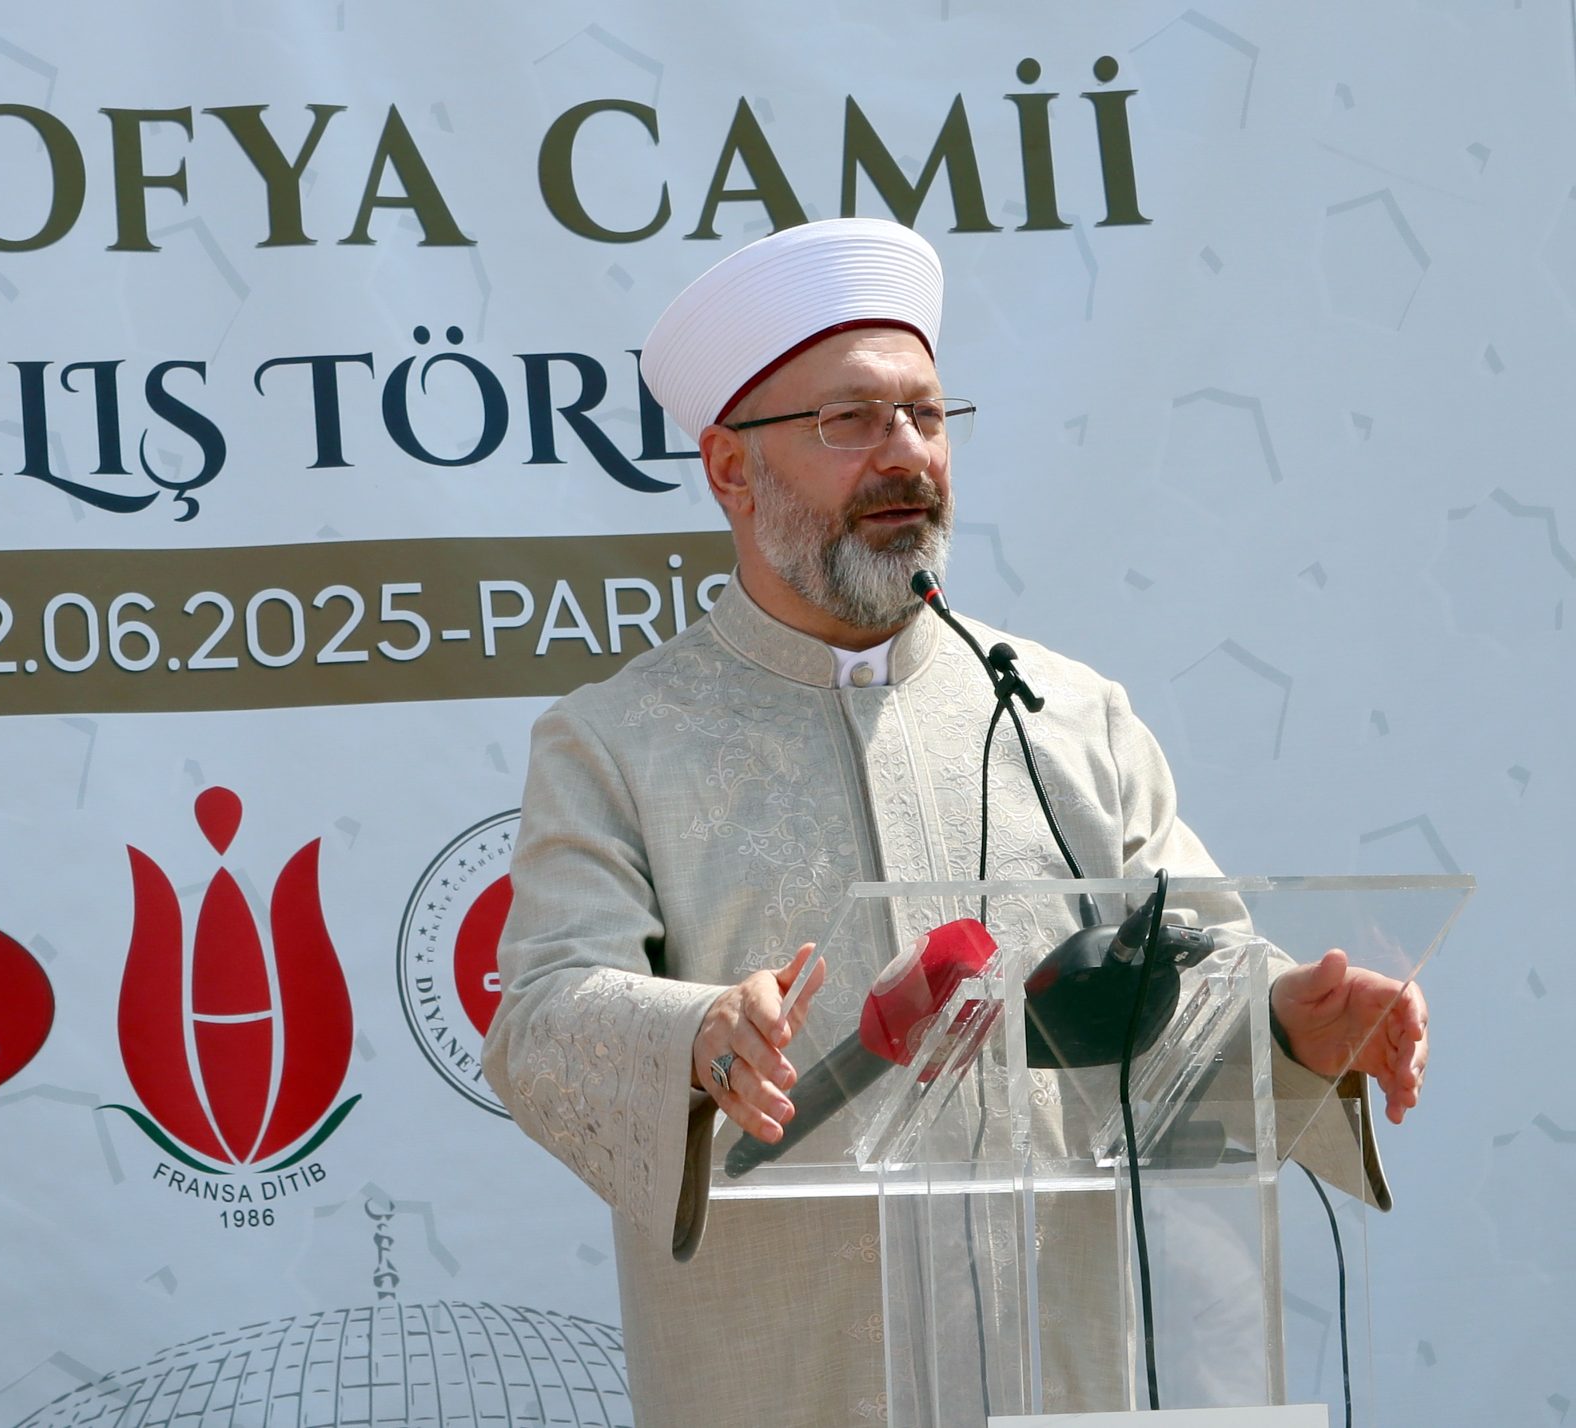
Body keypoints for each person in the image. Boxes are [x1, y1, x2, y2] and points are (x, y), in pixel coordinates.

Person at [480, 218, 1430, 1426]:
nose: (904, 456)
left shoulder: (1067, 716)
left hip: (1065, 1383)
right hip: (791, 1388)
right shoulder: (617, 742)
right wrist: (700, 1033)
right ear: (728, 468)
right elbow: (544, 1014)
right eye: (850, 421)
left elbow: (1185, 981)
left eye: (925, 416)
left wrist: (1291, 1024)